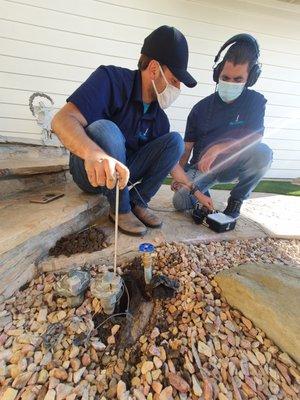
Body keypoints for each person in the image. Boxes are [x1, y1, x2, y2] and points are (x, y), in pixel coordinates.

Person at [51, 25, 197, 236]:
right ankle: (121, 208)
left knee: (174, 141)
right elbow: (61, 119)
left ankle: (138, 202)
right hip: (91, 172)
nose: (177, 89)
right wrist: (94, 154)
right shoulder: (110, 79)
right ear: (154, 68)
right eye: (175, 80)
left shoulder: (159, 117)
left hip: (123, 174)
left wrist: (192, 187)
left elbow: (171, 160)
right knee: (106, 128)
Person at [172, 34, 273, 219]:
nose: (230, 83)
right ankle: (204, 195)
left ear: (250, 78)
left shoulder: (255, 101)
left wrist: (218, 148)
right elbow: (186, 149)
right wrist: (181, 177)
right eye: (225, 77)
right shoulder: (200, 108)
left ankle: (236, 200)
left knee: (263, 153)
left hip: (235, 164)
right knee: (180, 201)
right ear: (217, 74)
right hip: (203, 168)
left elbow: (255, 137)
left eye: (238, 79)